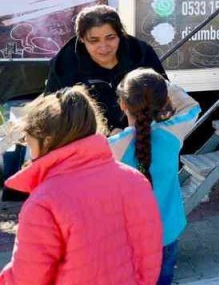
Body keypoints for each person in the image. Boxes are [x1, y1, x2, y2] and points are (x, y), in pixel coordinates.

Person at [0, 86, 162, 284]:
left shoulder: (44, 202)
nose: (28, 148)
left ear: (47, 140)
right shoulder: (134, 179)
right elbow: (149, 254)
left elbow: (27, 278)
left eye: (28, 140)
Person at [110, 70, 200, 285]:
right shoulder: (172, 135)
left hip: (126, 241)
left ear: (123, 104)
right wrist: (164, 85)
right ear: (164, 102)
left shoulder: (111, 147)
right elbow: (192, 107)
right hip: (167, 234)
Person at [46, 5, 166, 131]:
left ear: (120, 34)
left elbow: (164, 100)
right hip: (89, 141)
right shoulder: (64, 63)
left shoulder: (141, 54)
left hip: (142, 137)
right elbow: (53, 114)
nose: (103, 47)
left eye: (111, 38)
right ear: (81, 39)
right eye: (94, 40)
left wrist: (130, 135)